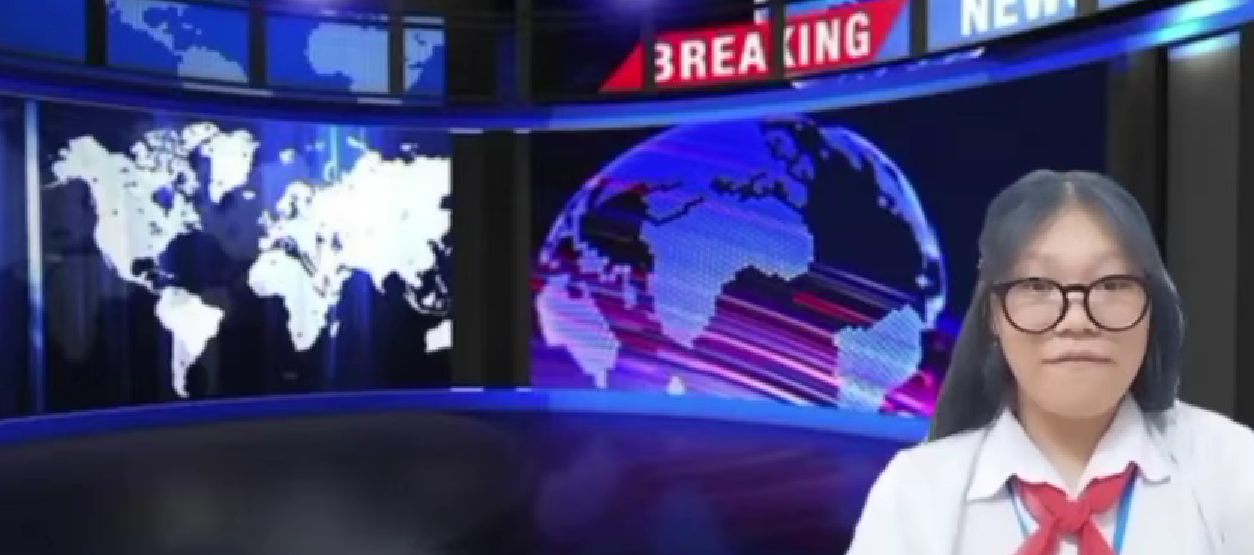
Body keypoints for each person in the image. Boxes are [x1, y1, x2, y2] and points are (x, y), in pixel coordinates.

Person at [846, 170, 1254, 555]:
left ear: (1151, 307)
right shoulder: (918, 492)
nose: (1076, 320)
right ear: (994, 315)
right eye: (1038, 285)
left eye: (1112, 284)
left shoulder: (1233, 469)